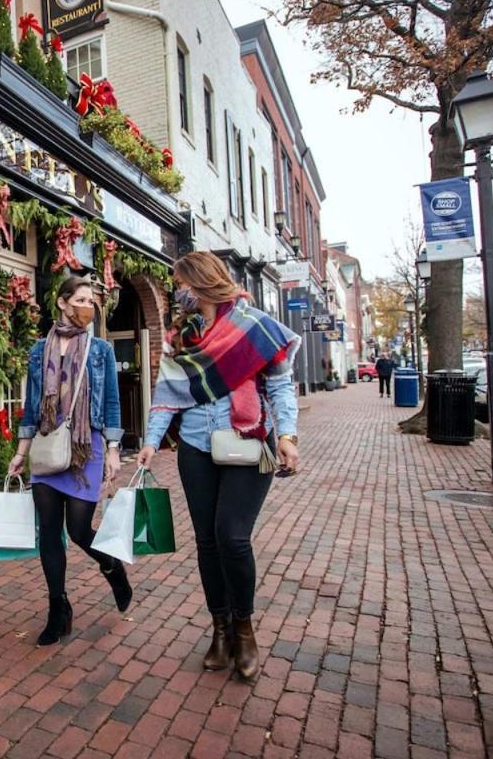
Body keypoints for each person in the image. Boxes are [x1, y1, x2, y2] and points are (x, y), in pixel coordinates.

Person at [134, 252, 300, 681]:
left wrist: (287, 436)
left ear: (202, 282)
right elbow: (167, 395)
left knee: (233, 536)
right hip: (194, 447)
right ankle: (220, 630)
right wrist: (152, 442)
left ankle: (244, 630)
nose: (179, 292)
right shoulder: (179, 336)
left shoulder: (255, 326)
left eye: (182, 283)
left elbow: (281, 386)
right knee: (207, 542)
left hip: (247, 444)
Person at [8, 274, 129, 646]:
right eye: (80, 300)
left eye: (91, 301)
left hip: (85, 446)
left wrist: (111, 449)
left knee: (78, 529)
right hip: (46, 445)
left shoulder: (100, 350)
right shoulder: (37, 350)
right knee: (49, 531)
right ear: (62, 302)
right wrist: (21, 451)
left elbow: (110, 401)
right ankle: (57, 608)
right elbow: (31, 405)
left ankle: (112, 566)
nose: (87, 307)